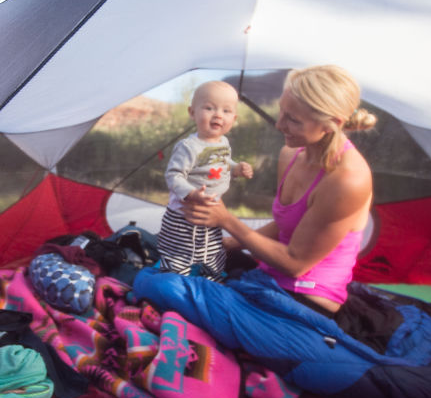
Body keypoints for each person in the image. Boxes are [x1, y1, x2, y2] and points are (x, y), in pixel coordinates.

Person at [180, 65, 377, 314]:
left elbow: (296, 264)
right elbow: (286, 224)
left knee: (167, 288)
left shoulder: (347, 179)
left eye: (293, 120)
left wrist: (227, 220)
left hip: (307, 299)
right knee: (175, 263)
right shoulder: (291, 155)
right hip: (268, 279)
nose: (279, 124)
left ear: (332, 124)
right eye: (281, 111)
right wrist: (227, 244)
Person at [157, 80, 253, 280]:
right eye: (209, 108)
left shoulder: (223, 142)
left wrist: (236, 168)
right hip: (183, 217)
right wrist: (191, 193)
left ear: (233, 118)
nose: (218, 114)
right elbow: (173, 175)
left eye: (226, 111)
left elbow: (222, 163)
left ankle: (212, 282)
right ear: (192, 112)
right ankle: (173, 285)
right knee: (178, 257)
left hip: (212, 213)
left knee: (212, 253)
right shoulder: (189, 147)